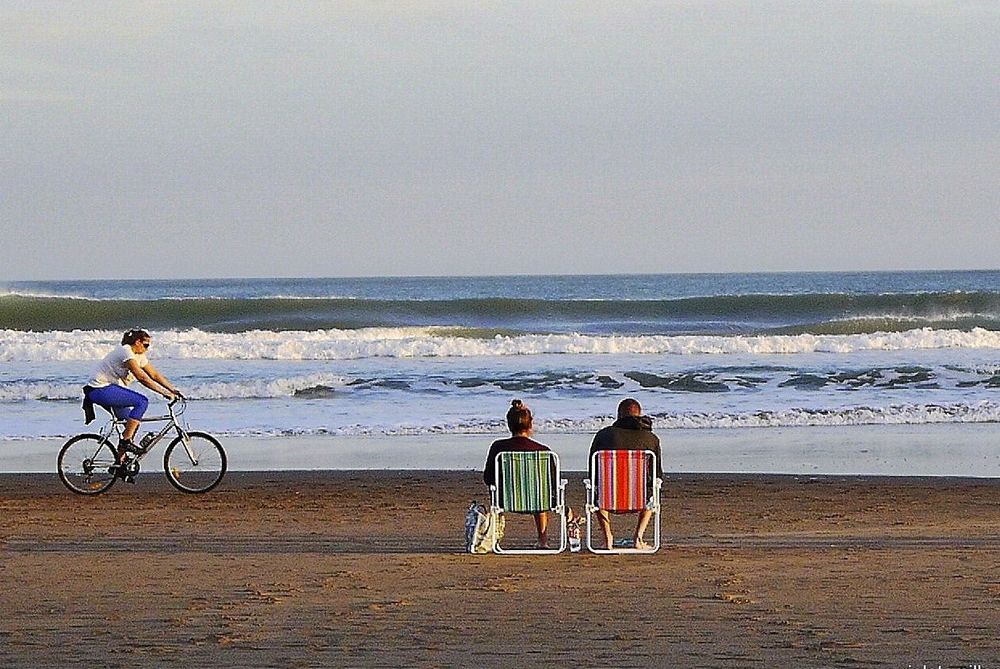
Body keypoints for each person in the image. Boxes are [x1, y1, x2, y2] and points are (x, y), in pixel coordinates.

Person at [83, 329, 180, 469]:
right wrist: (163, 393)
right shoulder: (126, 351)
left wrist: (173, 389)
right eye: (146, 345)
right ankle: (126, 442)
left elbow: (154, 375)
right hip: (99, 389)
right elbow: (142, 377)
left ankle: (120, 462)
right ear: (137, 342)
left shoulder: (139, 356)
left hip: (110, 389)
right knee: (141, 401)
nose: (147, 349)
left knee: (132, 423)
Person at [589, 397, 662, 550]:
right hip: (639, 498)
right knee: (652, 490)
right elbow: (657, 474)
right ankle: (638, 538)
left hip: (608, 497)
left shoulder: (604, 435)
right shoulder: (651, 439)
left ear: (618, 416)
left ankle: (607, 537)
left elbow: (593, 470)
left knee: (597, 489)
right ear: (639, 415)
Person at [483, 399, 553, 549]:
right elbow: (552, 481)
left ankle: (495, 538)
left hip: (505, 499)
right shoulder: (543, 451)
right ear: (530, 425)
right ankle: (543, 540)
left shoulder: (498, 447)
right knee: (540, 491)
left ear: (509, 425)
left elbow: (488, 477)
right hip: (538, 501)